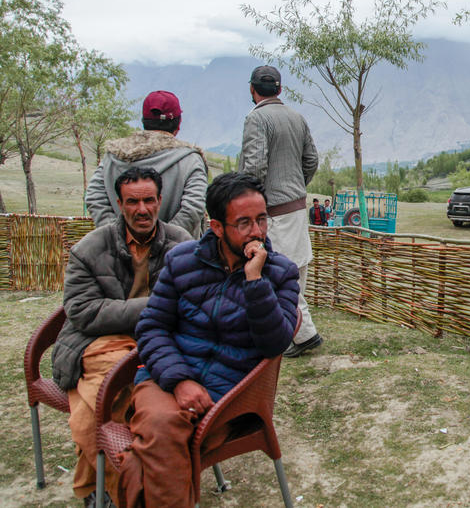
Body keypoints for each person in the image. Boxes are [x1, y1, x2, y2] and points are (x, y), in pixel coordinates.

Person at [117, 172, 300, 507]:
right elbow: (152, 327)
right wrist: (180, 380)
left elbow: (275, 345)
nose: (256, 232)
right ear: (217, 227)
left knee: (146, 451)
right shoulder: (182, 261)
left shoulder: (281, 274)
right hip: (167, 380)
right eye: (243, 223)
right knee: (162, 426)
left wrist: (255, 282)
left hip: (230, 395)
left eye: (261, 220)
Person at [51, 167, 191, 508]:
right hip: (98, 341)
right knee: (115, 388)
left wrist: (157, 317)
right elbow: (83, 312)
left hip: (158, 341)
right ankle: (127, 489)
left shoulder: (182, 244)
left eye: (148, 200)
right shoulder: (89, 249)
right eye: (132, 202)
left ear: (160, 201)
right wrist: (155, 306)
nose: (141, 209)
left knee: (122, 395)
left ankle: (92, 488)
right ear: (119, 204)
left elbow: (193, 302)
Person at [238, 65, 322, 357]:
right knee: (296, 267)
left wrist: (250, 206)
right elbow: (311, 159)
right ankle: (301, 331)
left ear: (252, 89)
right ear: (280, 89)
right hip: (297, 207)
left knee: (276, 272)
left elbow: (254, 167)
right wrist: (296, 186)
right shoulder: (296, 117)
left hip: (271, 209)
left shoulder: (256, 119)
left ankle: (297, 333)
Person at [85, 90, 209, 237]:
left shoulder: (114, 155)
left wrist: (118, 236)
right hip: (176, 255)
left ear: (144, 121)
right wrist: (166, 241)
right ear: (179, 123)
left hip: (120, 257)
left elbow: (94, 196)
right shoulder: (190, 160)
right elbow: (194, 207)